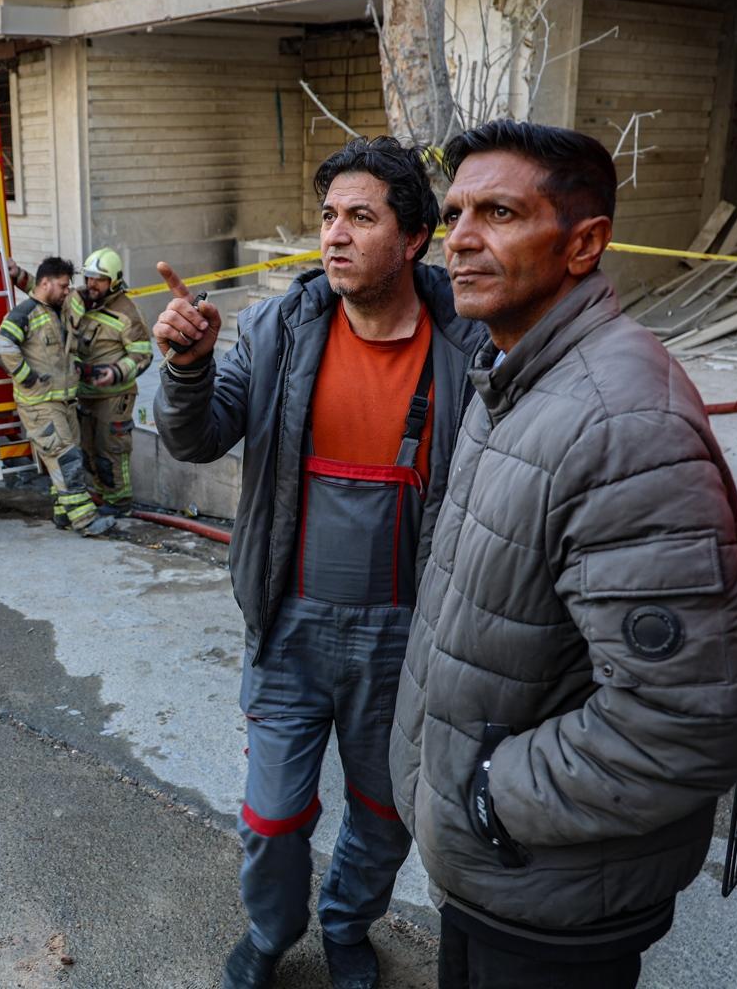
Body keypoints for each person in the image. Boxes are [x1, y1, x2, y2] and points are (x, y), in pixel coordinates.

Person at [389, 121, 737, 989]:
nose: (461, 239)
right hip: (494, 872)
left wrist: (490, 795)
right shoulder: (513, 376)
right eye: (454, 215)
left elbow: (689, 715)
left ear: (584, 243)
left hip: (548, 891)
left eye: (499, 212)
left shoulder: (619, 422)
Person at [154, 137, 485, 989]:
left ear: (414, 238)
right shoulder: (278, 330)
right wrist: (187, 368)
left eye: (361, 218)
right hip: (288, 627)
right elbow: (197, 437)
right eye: (330, 215)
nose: (334, 234)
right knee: (272, 816)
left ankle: (346, 925)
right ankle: (270, 934)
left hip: (406, 637)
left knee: (383, 812)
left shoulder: (469, 347)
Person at [0, 256, 115, 537]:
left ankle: (63, 513)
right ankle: (85, 520)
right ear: (46, 283)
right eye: (63, 285)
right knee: (66, 459)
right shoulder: (25, 313)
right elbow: (3, 345)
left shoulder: (58, 310)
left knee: (69, 457)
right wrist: (28, 378)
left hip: (64, 402)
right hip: (40, 405)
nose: (67, 290)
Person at [73, 248, 151, 517]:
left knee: (112, 449)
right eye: (89, 277)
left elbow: (142, 355)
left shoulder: (128, 313)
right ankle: (101, 494)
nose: (91, 284)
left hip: (114, 396)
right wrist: (18, 276)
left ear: (114, 281)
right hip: (85, 392)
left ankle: (119, 502)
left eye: (99, 279)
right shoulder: (83, 300)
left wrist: (115, 373)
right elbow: (47, 291)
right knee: (89, 447)